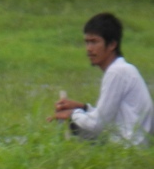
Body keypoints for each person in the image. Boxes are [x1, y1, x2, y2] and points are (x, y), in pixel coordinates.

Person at [51, 12, 153, 146]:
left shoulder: (116, 72)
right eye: (87, 42)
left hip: (128, 149)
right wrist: (84, 108)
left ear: (112, 45)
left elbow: (98, 124)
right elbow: (109, 118)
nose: (89, 49)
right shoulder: (123, 69)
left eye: (94, 42)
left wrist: (72, 114)